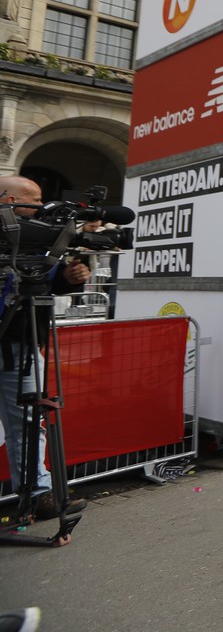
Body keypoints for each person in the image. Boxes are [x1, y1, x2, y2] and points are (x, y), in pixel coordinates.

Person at [0, 176, 91, 522]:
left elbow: (42, 278)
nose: (41, 206)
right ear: (10, 200)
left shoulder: (35, 243)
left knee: (28, 421)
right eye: (35, 200)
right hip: (14, 344)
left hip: (21, 346)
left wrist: (68, 276)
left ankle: (38, 494)